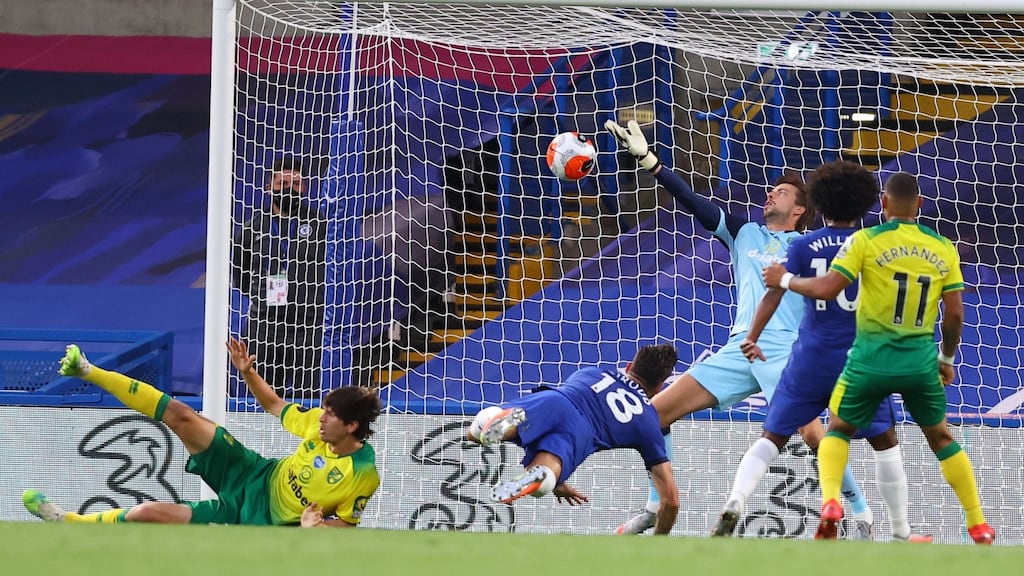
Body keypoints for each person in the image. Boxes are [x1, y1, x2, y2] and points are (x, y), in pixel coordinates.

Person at [605, 120, 875, 536]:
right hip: (738, 350)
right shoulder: (744, 232)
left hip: (784, 349)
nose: (771, 194)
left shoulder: (811, 245)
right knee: (652, 416)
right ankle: (655, 507)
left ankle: (859, 515)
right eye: (771, 190)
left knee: (811, 432)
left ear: (801, 209)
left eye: (781, 192)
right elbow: (693, 201)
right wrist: (650, 161)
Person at [763, 172, 995, 544]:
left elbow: (826, 287)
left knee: (837, 428)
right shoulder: (943, 247)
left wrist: (785, 280)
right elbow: (954, 314)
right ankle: (977, 523)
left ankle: (831, 504)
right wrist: (946, 358)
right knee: (941, 437)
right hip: (918, 361)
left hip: (869, 359)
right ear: (919, 205)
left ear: (883, 205)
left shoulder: (866, 240)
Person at [713, 161, 927, 541]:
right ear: (866, 205)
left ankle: (736, 501)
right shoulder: (869, 245)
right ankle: (898, 531)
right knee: (883, 440)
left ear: (820, 205)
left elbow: (775, 292)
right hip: (858, 359)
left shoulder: (803, 244)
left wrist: (753, 335)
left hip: (810, 356)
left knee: (772, 436)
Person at [23, 339, 381, 527]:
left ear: (350, 427)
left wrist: (313, 528)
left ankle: (67, 521)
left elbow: (345, 526)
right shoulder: (317, 426)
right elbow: (274, 404)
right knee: (181, 415)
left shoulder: (362, 474)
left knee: (146, 514)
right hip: (252, 472)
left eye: (330, 417)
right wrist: (246, 372)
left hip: (251, 519)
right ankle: (88, 369)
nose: (320, 420)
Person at [467, 344, 681, 535]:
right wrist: (658, 540)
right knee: (547, 474)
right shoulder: (648, 420)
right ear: (660, 387)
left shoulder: (592, 372)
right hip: (581, 431)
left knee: (478, 432)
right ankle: (547, 476)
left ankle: (493, 422)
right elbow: (670, 501)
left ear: (628, 366)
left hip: (556, 400)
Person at [232, 156, 327, 398]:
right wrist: (262, 298)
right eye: (282, 184)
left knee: (310, 400)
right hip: (265, 327)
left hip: (309, 327)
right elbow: (240, 274)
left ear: (304, 188)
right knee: (261, 399)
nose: (289, 190)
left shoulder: (321, 225)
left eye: (295, 185)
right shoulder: (252, 227)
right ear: (269, 187)